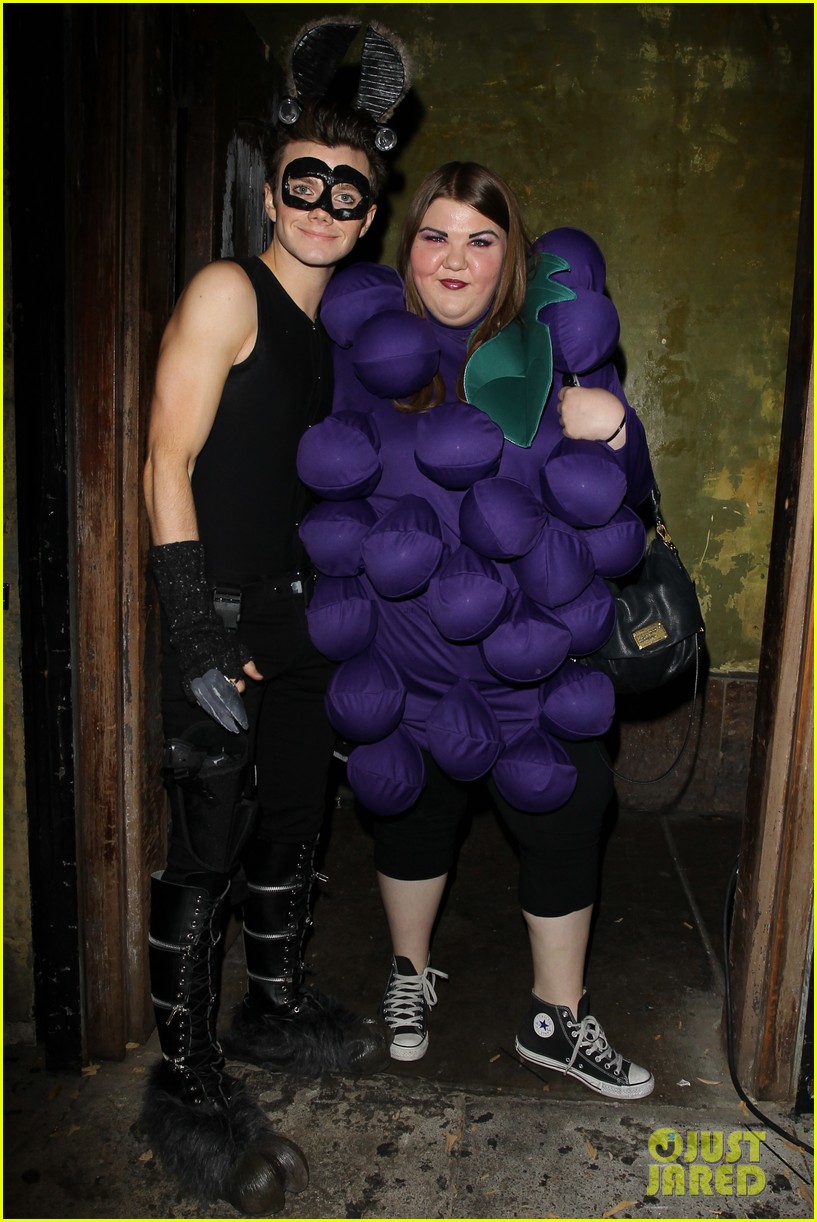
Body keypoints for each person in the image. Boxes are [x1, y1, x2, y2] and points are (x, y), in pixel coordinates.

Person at [295, 162, 657, 1101]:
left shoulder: (557, 350)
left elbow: (635, 498)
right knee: (411, 818)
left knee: (572, 811)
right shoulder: (361, 355)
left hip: (531, 663)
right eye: (436, 234)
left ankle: (556, 1015)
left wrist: (616, 431)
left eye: (481, 239)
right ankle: (408, 974)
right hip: (405, 655)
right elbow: (313, 482)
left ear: (512, 258)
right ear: (407, 248)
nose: (455, 259)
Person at [141, 101, 396, 1214]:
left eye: (349, 189)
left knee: (294, 813)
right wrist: (197, 629)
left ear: (369, 213)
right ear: (270, 191)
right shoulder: (227, 290)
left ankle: (274, 1008)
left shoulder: (331, 329)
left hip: (299, 618)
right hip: (223, 614)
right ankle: (188, 1080)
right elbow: (166, 458)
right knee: (206, 849)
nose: (324, 204)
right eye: (306, 180)